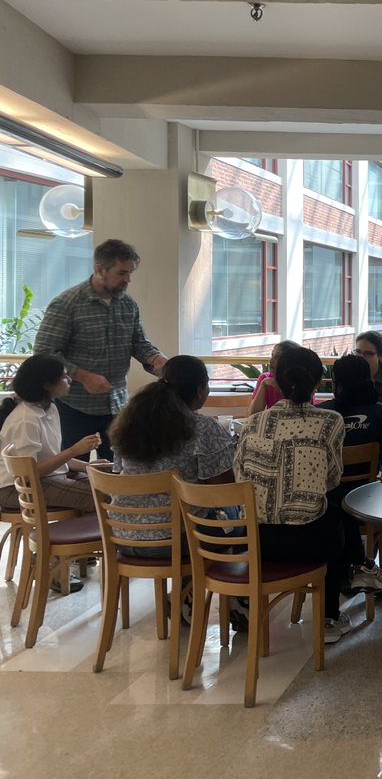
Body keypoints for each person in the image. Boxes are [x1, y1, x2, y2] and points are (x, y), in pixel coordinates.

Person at [234, 346, 367, 645]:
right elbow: (332, 479)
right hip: (311, 544)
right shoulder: (330, 421)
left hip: (257, 542)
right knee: (333, 510)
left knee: (325, 511)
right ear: (318, 382)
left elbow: (240, 477)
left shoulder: (252, 423)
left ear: (275, 381)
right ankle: (329, 615)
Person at [34, 238, 167, 460]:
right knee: (74, 473)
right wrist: (83, 376)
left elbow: (138, 343)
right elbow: (44, 354)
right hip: (74, 406)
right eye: (122, 273)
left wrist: (156, 359)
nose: (128, 280)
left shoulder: (128, 304)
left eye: (130, 273)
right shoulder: (67, 304)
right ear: (100, 269)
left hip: (117, 405)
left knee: (118, 469)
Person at [109, 355, 235, 557]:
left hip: (122, 535)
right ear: (199, 390)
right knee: (234, 518)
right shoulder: (203, 427)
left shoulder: (128, 424)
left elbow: (117, 472)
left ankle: (187, 587)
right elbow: (224, 491)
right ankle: (198, 585)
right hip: (177, 541)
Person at [0, 355, 102, 593]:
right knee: (97, 494)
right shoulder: (26, 419)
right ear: (47, 384)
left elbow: (52, 458)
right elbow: (30, 471)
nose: (69, 380)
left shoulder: (50, 409)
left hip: (42, 479)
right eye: (64, 376)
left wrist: (88, 466)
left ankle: (71, 554)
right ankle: (54, 561)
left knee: (103, 481)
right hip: (15, 489)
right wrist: (74, 450)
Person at [318, 355, 382, 594]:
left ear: (335, 381)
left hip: (325, 503)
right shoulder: (380, 412)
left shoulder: (321, 414)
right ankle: (363, 564)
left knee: (338, 499)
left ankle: (345, 570)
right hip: (367, 501)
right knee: (351, 498)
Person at [248, 340, 306, 415]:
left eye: (277, 357)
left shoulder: (303, 380)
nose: (271, 360)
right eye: (272, 355)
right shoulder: (265, 379)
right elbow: (253, 414)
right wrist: (263, 385)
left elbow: (304, 413)